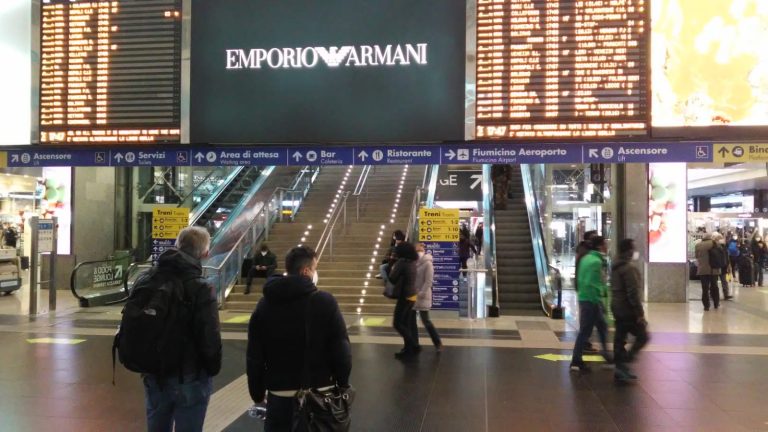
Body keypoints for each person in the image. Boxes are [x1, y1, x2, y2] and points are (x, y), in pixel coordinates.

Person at [247, 246, 351, 431]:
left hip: (279, 395)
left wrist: (257, 394)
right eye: (314, 268)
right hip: (318, 394)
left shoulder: (264, 304)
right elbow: (341, 349)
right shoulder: (324, 301)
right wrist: (342, 384)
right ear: (305, 271)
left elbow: (255, 355)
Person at [142, 226, 222, 432]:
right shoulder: (201, 287)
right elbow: (209, 335)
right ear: (205, 253)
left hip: (154, 373)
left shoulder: (148, 279)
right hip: (190, 375)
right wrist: (212, 368)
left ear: (177, 245)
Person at [570, 235, 611, 372]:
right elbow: (591, 283)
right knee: (585, 331)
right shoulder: (596, 262)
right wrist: (600, 298)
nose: (606, 247)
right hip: (591, 301)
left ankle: (606, 355)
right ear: (599, 246)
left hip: (586, 298)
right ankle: (576, 361)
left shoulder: (586, 258)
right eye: (605, 244)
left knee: (602, 327)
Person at [610, 239, 650, 381]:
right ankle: (625, 361)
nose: (634, 251)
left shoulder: (615, 266)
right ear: (628, 251)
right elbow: (632, 293)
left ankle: (620, 367)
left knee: (620, 337)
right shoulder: (628, 268)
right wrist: (640, 314)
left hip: (616, 306)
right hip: (627, 308)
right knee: (643, 336)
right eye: (632, 249)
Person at [389, 242, 420, 359]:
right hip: (412, 295)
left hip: (404, 295)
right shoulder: (413, 262)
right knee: (406, 324)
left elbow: (392, 278)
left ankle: (413, 344)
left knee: (397, 323)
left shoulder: (402, 262)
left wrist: (392, 264)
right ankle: (408, 349)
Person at [412, 243, 443, 351]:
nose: (418, 252)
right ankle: (414, 344)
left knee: (426, 321)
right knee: (411, 321)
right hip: (412, 295)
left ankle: (437, 343)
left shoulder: (428, 264)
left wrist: (421, 293)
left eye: (419, 250)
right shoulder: (413, 263)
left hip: (422, 296)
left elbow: (429, 281)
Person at [574, 230, 599, 352]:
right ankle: (583, 346)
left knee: (593, 322)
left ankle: (585, 344)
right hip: (588, 293)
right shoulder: (586, 253)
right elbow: (587, 276)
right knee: (587, 322)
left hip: (587, 292)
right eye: (594, 237)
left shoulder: (584, 251)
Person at [694, 233, 721, 311]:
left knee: (705, 288)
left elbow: (696, 256)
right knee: (714, 286)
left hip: (703, 270)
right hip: (714, 269)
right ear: (711, 237)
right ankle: (716, 303)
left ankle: (706, 305)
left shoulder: (698, 245)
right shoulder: (715, 244)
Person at [714, 235, 734, 300]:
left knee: (724, 281)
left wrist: (728, 265)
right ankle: (713, 294)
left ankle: (726, 294)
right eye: (720, 239)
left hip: (723, 267)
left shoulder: (725, 247)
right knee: (714, 282)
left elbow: (727, 257)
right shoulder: (714, 247)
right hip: (716, 267)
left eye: (722, 239)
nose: (722, 240)